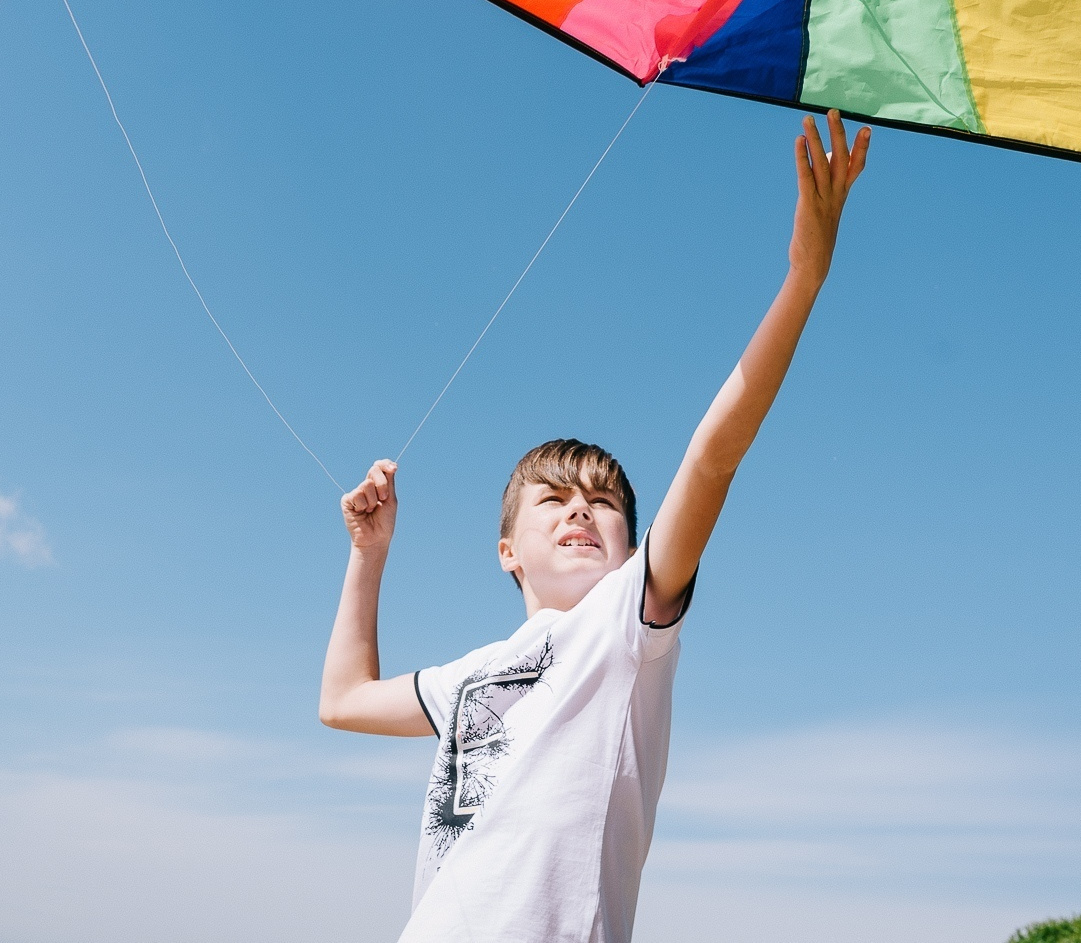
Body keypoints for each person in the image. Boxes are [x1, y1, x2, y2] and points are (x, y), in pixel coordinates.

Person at [319, 111, 871, 943]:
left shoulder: (627, 626)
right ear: (507, 551)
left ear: (630, 550)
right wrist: (369, 555)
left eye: (604, 502)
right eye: (553, 499)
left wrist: (802, 278)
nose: (581, 507)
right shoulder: (473, 673)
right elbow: (343, 700)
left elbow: (713, 456)